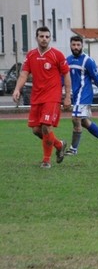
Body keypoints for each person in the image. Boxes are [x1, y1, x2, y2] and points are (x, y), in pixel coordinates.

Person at [12, 26, 71, 168]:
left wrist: (67, 95)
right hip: (37, 97)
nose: (44, 39)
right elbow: (24, 74)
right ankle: (59, 144)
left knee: (46, 127)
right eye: (41, 36)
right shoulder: (31, 55)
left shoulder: (57, 55)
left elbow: (66, 75)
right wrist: (17, 89)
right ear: (36, 38)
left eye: (47, 36)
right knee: (36, 130)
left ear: (50, 38)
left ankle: (46, 161)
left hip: (52, 96)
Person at [65, 35, 98, 155]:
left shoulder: (88, 61)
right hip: (76, 95)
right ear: (70, 45)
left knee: (75, 118)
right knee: (83, 121)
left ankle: (73, 149)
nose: (76, 47)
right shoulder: (67, 60)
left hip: (84, 94)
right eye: (74, 45)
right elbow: (63, 78)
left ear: (82, 46)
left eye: (78, 45)